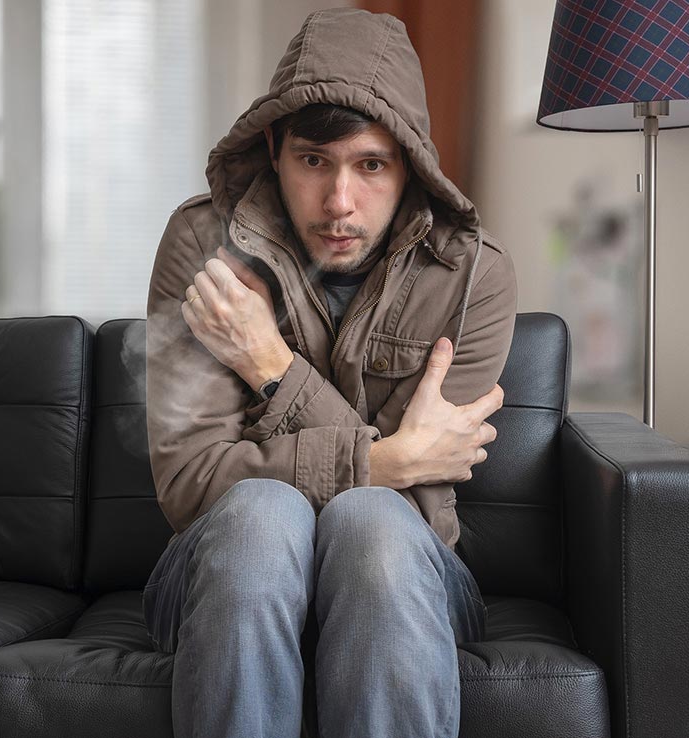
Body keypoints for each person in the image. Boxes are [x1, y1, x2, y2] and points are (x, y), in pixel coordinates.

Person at [143, 8, 517, 738]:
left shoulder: (472, 273)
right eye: (315, 162)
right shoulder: (202, 244)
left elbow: (421, 509)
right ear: (276, 148)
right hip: (224, 573)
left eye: (370, 165)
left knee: (372, 523)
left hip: (405, 576)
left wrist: (270, 366)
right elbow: (190, 484)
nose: (340, 202)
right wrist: (386, 457)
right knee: (258, 517)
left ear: (408, 163)